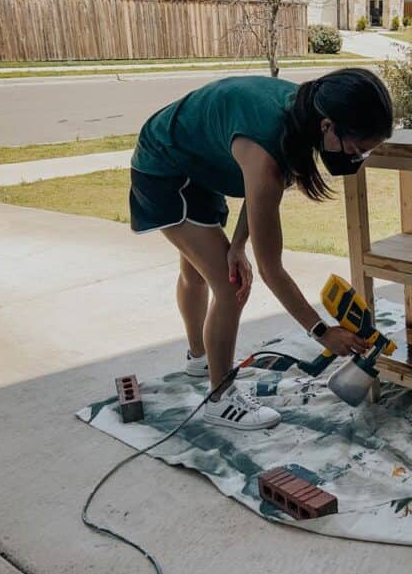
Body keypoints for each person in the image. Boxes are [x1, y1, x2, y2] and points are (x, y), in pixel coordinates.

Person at [128, 69, 394, 431]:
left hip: (195, 161)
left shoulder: (305, 113)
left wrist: (238, 244)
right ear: (328, 126)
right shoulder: (270, 146)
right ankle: (220, 399)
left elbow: (257, 199)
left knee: (197, 270)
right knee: (229, 285)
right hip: (163, 167)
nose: (358, 157)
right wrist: (321, 332)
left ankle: (199, 358)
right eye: (357, 148)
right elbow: (272, 269)